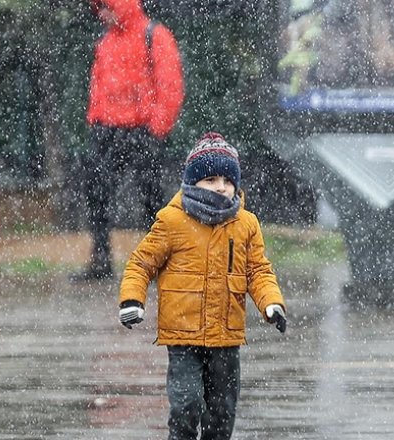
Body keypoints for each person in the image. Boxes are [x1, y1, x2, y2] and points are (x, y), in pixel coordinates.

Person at [117, 132, 287, 440]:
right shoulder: (172, 221)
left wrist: (271, 303)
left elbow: (258, 271)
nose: (221, 186)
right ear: (192, 183)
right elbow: (141, 264)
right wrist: (132, 300)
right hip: (183, 337)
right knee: (187, 403)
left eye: (227, 179)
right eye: (210, 179)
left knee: (222, 411)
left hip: (226, 337)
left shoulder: (246, 224)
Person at [75, 0, 184, 280]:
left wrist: (155, 131)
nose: (102, 14)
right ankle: (101, 261)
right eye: (98, 8)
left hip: (141, 130)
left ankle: (159, 263)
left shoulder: (154, 34)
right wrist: (96, 121)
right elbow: (98, 84)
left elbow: (170, 86)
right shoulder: (106, 40)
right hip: (107, 130)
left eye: (106, 7)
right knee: (96, 193)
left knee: (151, 200)